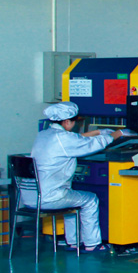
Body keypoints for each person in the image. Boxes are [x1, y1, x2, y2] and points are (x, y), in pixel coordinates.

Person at [30, 101, 123, 252]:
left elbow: (75, 139)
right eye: (74, 122)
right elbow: (91, 144)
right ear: (67, 122)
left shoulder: (44, 135)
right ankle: (92, 244)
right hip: (51, 197)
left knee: (72, 199)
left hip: (32, 196)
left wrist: (97, 131)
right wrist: (119, 134)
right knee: (90, 200)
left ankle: (73, 242)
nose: (75, 125)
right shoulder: (64, 139)